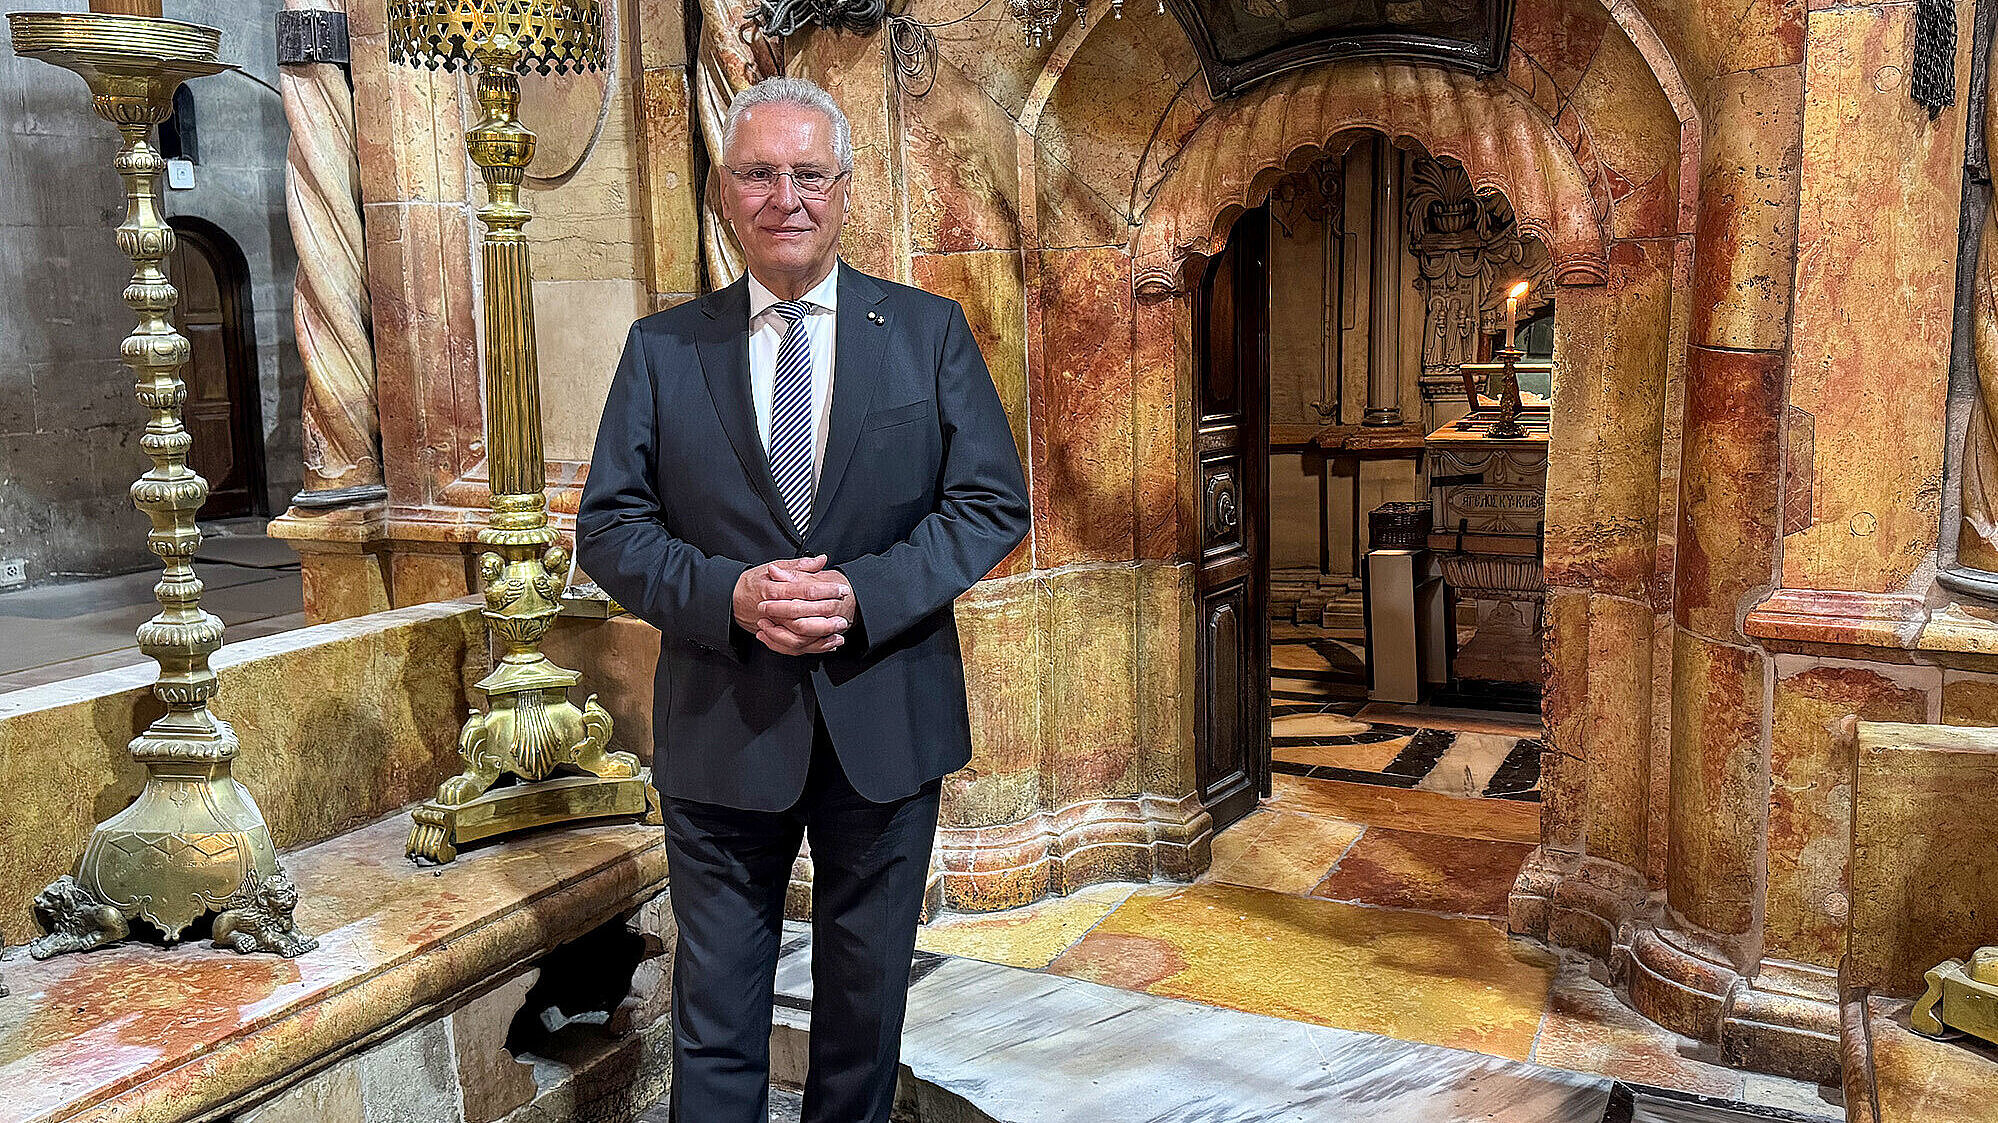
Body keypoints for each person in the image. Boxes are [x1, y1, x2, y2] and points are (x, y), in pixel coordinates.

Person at [576, 76, 1030, 1123]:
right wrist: (730, 593)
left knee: (864, 1013)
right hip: (724, 727)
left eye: (808, 173)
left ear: (846, 190)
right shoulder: (663, 349)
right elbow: (610, 527)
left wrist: (860, 596)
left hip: (885, 719)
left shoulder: (926, 332)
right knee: (718, 1013)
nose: (786, 195)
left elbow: (990, 503)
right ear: (725, 192)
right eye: (760, 173)